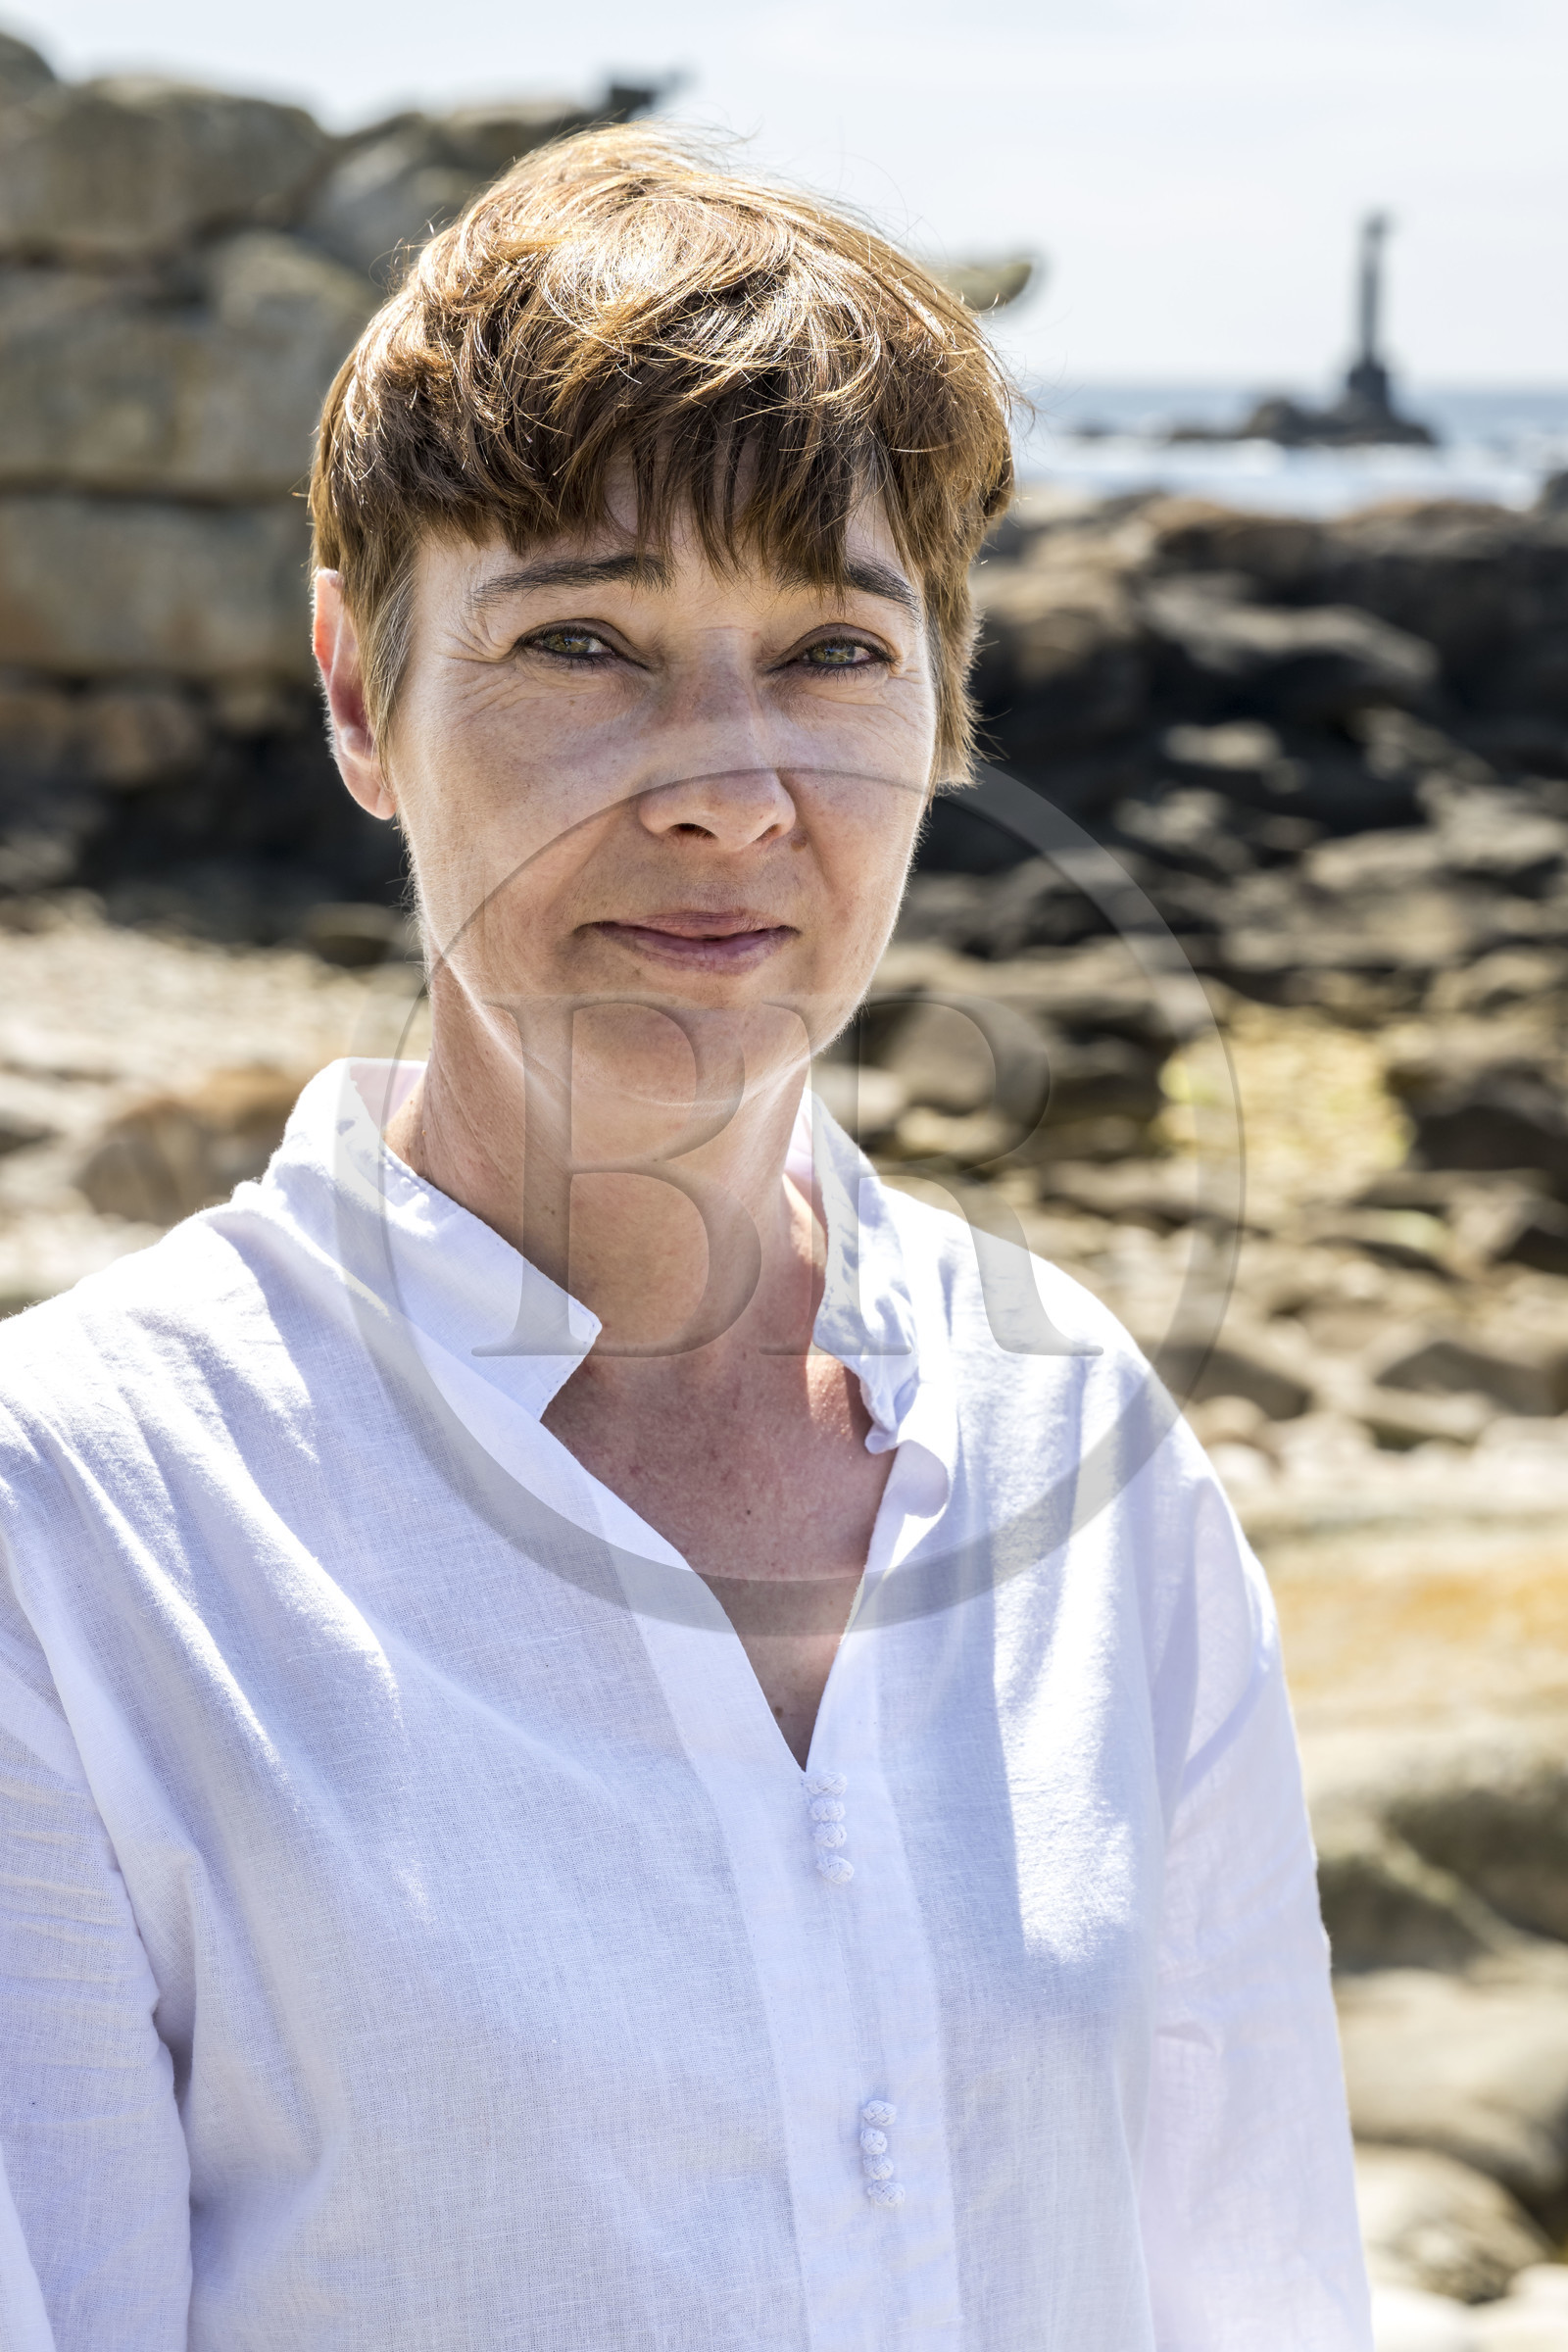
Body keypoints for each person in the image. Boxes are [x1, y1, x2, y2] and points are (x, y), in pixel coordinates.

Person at [0, 128, 1370, 2350]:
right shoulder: (71, 1529)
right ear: (360, 692)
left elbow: (1257, 2293)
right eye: (582, 642)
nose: (727, 785)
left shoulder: (1081, 1441)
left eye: (830, 646)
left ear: (945, 705)